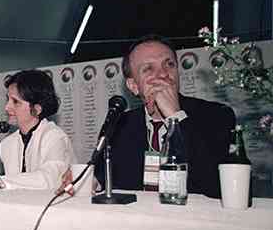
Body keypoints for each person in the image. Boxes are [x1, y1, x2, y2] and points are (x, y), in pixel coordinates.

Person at [65, 35, 235, 198]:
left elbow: (219, 185)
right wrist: (89, 181)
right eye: (148, 69)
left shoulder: (216, 115)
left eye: (169, 65)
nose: (162, 74)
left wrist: (175, 118)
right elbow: (103, 176)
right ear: (133, 86)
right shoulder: (121, 124)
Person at [0, 69, 77, 190]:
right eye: (8, 99)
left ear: (37, 109)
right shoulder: (7, 144)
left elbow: (50, 179)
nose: (7, 107)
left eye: (15, 102)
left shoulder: (54, 136)